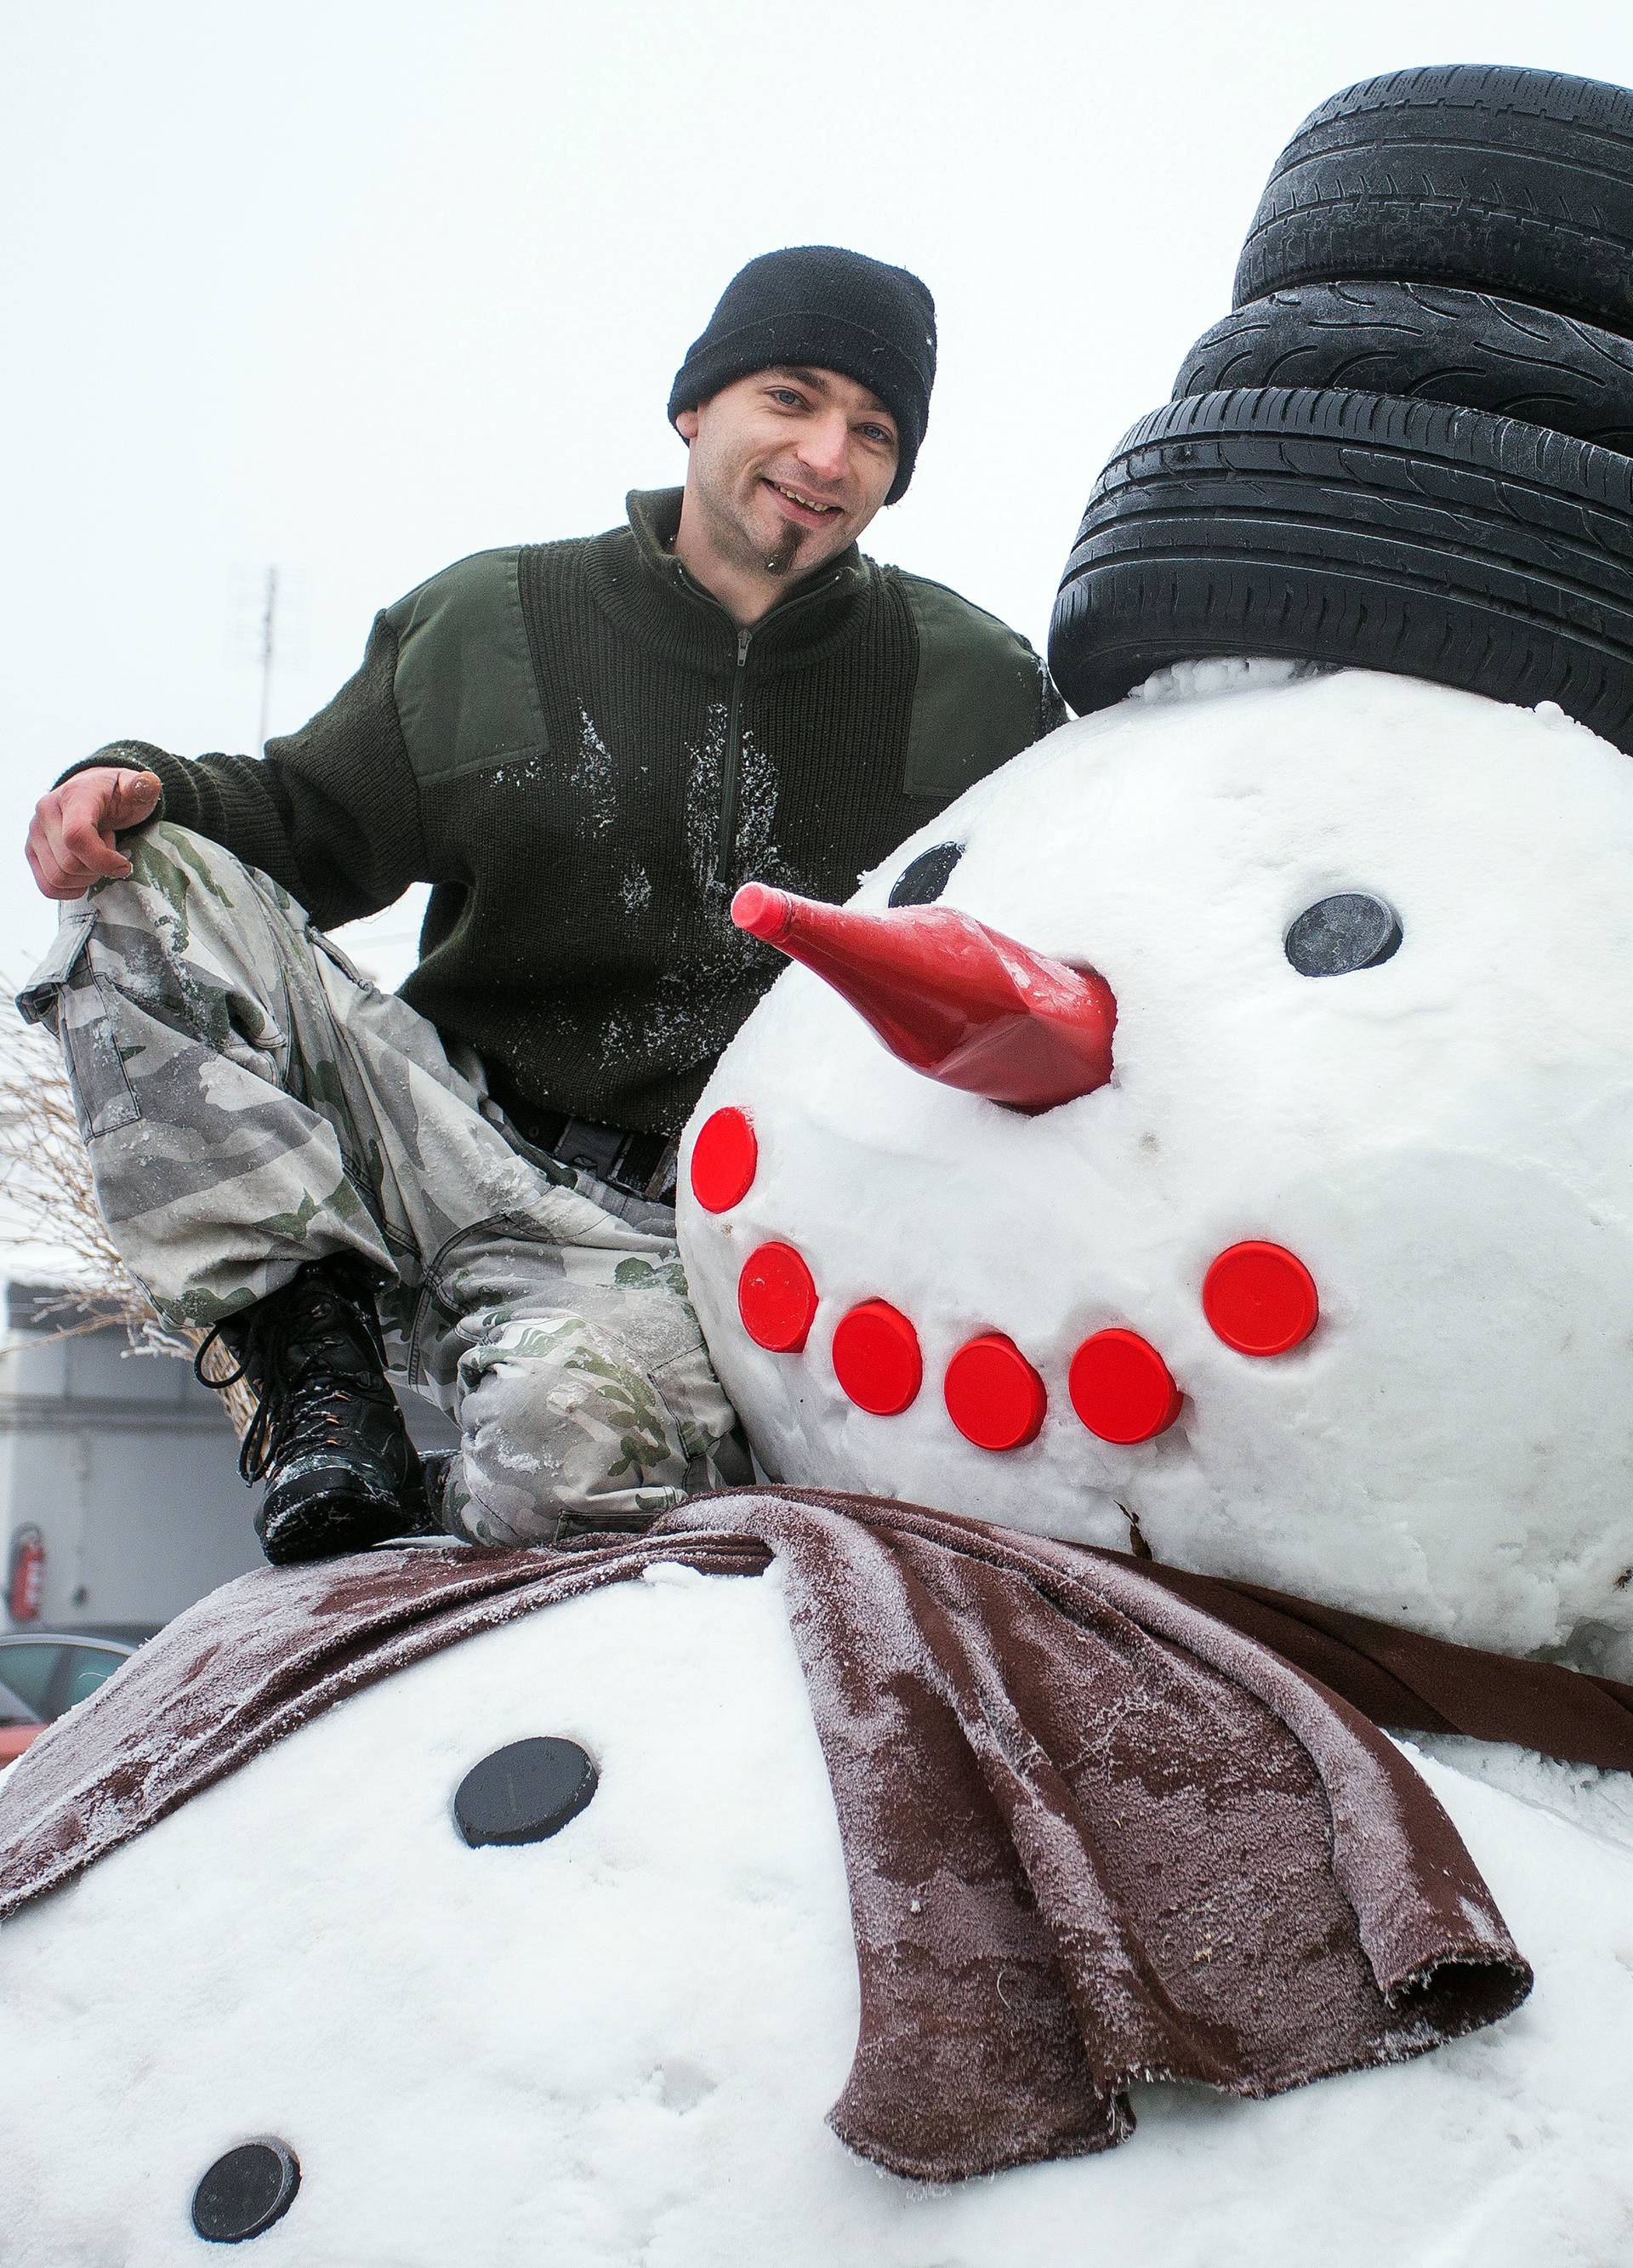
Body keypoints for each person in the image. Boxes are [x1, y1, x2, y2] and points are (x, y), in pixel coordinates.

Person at [20, 245, 1066, 1564]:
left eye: (873, 431)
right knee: (143, 890)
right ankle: (309, 1378)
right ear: (698, 407)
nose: (826, 454)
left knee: (536, 1469)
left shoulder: (971, 686)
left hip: (701, 1231)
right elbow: (303, 825)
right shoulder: (492, 620)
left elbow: (1067, 931)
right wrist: (135, 786)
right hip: (446, 1137)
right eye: (791, 400)